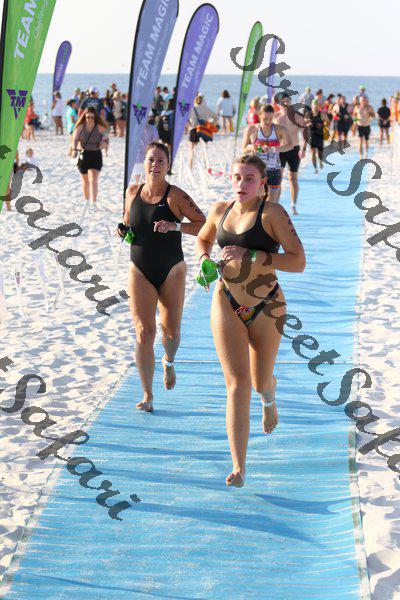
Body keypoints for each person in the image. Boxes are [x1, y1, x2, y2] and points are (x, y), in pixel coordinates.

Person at [195, 153, 305, 487]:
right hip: (225, 300)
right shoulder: (220, 210)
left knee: (259, 382)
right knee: (237, 384)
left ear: (262, 184)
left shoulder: (272, 214)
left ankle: (269, 399)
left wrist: (253, 255)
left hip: (267, 306)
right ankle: (239, 466)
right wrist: (204, 260)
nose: (241, 184)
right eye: (237, 177)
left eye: (249, 178)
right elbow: (203, 237)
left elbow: (298, 262)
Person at [119, 142, 206, 412]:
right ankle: (147, 394)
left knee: (171, 332)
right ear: (144, 163)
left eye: (160, 161)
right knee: (144, 332)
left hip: (172, 270)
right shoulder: (132, 192)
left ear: (168, 165)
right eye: (150, 160)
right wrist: (123, 230)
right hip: (139, 269)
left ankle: (168, 361)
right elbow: (127, 221)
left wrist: (175, 226)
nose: (155, 165)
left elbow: (203, 225)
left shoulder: (175, 196)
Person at [242, 104, 292, 203]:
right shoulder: (252, 129)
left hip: (274, 171)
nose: (268, 121)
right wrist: (252, 147)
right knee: (257, 203)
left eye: (270, 118)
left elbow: (290, 145)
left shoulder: (279, 129)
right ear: (260, 115)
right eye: (265, 118)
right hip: (257, 171)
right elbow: (244, 148)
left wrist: (273, 149)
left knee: (272, 204)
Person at [274, 93, 307, 215]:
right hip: (281, 150)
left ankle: (293, 206)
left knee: (293, 178)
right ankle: (276, 205)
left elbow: (305, 134)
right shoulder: (276, 117)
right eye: (283, 101)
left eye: (287, 101)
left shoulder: (297, 117)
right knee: (278, 178)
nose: (285, 103)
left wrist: (303, 149)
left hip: (294, 150)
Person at [71, 106, 109, 206]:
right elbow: (75, 139)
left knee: (94, 180)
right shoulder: (81, 126)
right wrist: (74, 149)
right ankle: (87, 202)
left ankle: (94, 203)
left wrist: (104, 142)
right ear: (85, 117)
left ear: (95, 117)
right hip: (84, 154)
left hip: (96, 154)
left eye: (92, 117)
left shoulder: (99, 126)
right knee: (85, 181)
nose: (90, 119)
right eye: (88, 117)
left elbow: (106, 136)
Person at [187, 93, 218, 169]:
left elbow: (186, 120)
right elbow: (216, 117)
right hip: (204, 129)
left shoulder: (191, 109)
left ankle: (190, 167)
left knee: (192, 151)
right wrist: (211, 124)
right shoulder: (206, 108)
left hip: (193, 129)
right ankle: (206, 167)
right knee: (204, 151)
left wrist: (189, 125)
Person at [304, 100, 326, 173]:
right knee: (313, 152)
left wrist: (324, 125)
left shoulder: (322, 114)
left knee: (320, 153)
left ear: (319, 106)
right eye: (314, 104)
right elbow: (305, 123)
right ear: (312, 105)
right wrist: (308, 124)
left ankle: (320, 161)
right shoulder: (308, 114)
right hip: (312, 135)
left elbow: (328, 122)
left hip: (320, 135)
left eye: (317, 104)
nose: (316, 106)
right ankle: (315, 168)